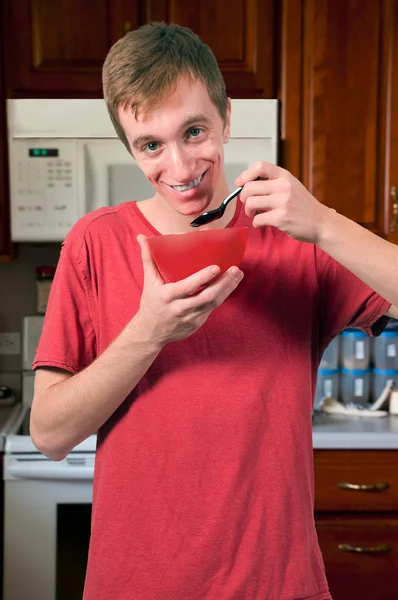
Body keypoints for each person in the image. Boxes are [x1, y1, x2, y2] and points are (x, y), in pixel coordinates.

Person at [30, 22, 397, 600]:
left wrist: (324, 223)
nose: (179, 168)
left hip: (279, 587)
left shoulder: (295, 239)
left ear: (227, 119)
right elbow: (49, 434)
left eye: (194, 131)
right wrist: (148, 333)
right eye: (151, 145)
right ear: (131, 149)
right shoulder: (94, 243)